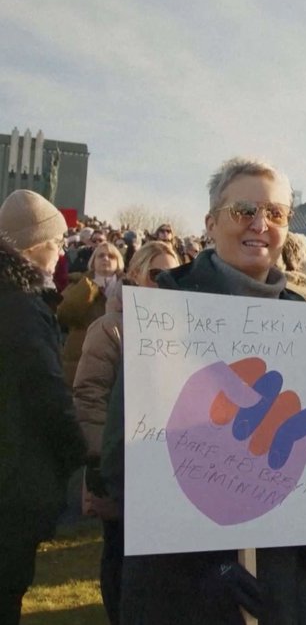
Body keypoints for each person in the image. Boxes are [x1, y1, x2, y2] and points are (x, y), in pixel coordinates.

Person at [116, 157, 306, 624]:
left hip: (283, 579)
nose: (260, 224)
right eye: (244, 211)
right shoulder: (166, 313)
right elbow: (123, 459)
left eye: (275, 213)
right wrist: (205, 563)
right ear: (211, 223)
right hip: (183, 588)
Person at [74, 241, 180, 623]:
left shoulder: (183, 327)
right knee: (120, 552)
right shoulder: (110, 328)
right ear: (135, 275)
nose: (164, 281)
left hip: (165, 465)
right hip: (119, 465)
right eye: (156, 273)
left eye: (173, 274)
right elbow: (89, 396)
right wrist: (102, 460)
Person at [0, 190, 86, 624]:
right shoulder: (21, 306)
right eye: (56, 242)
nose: (61, 253)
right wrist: (81, 451)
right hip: (14, 480)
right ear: (33, 246)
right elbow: (46, 393)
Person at [58, 241, 124, 386]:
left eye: (111, 256)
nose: (106, 259)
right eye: (101, 255)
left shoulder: (127, 286)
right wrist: (89, 288)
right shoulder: (78, 282)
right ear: (93, 262)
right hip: (80, 357)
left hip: (117, 357)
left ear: (119, 262)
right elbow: (64, 314)